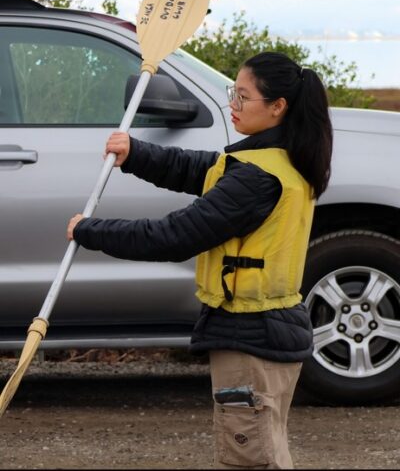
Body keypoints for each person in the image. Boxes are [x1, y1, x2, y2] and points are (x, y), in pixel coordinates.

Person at [67, 51, 333, 469]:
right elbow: (199, 169)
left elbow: (174, 236)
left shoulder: (257, 177)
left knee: (249, 460)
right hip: (270, 333)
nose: (233, 104)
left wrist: (91, 230)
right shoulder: (280, 161)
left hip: (251, 340)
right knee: (266, 453)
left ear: (278, 107)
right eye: (233, 92)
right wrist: (135, 152)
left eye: (244, 97)